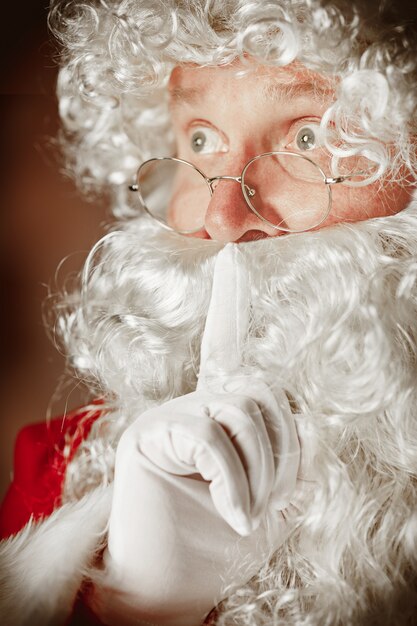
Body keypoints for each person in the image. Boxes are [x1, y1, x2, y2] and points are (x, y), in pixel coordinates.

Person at [1, 0, 417, 624]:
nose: (222, 218)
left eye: (309, 138)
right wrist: (136, 604)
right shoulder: (58, 472)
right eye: (201, 138)